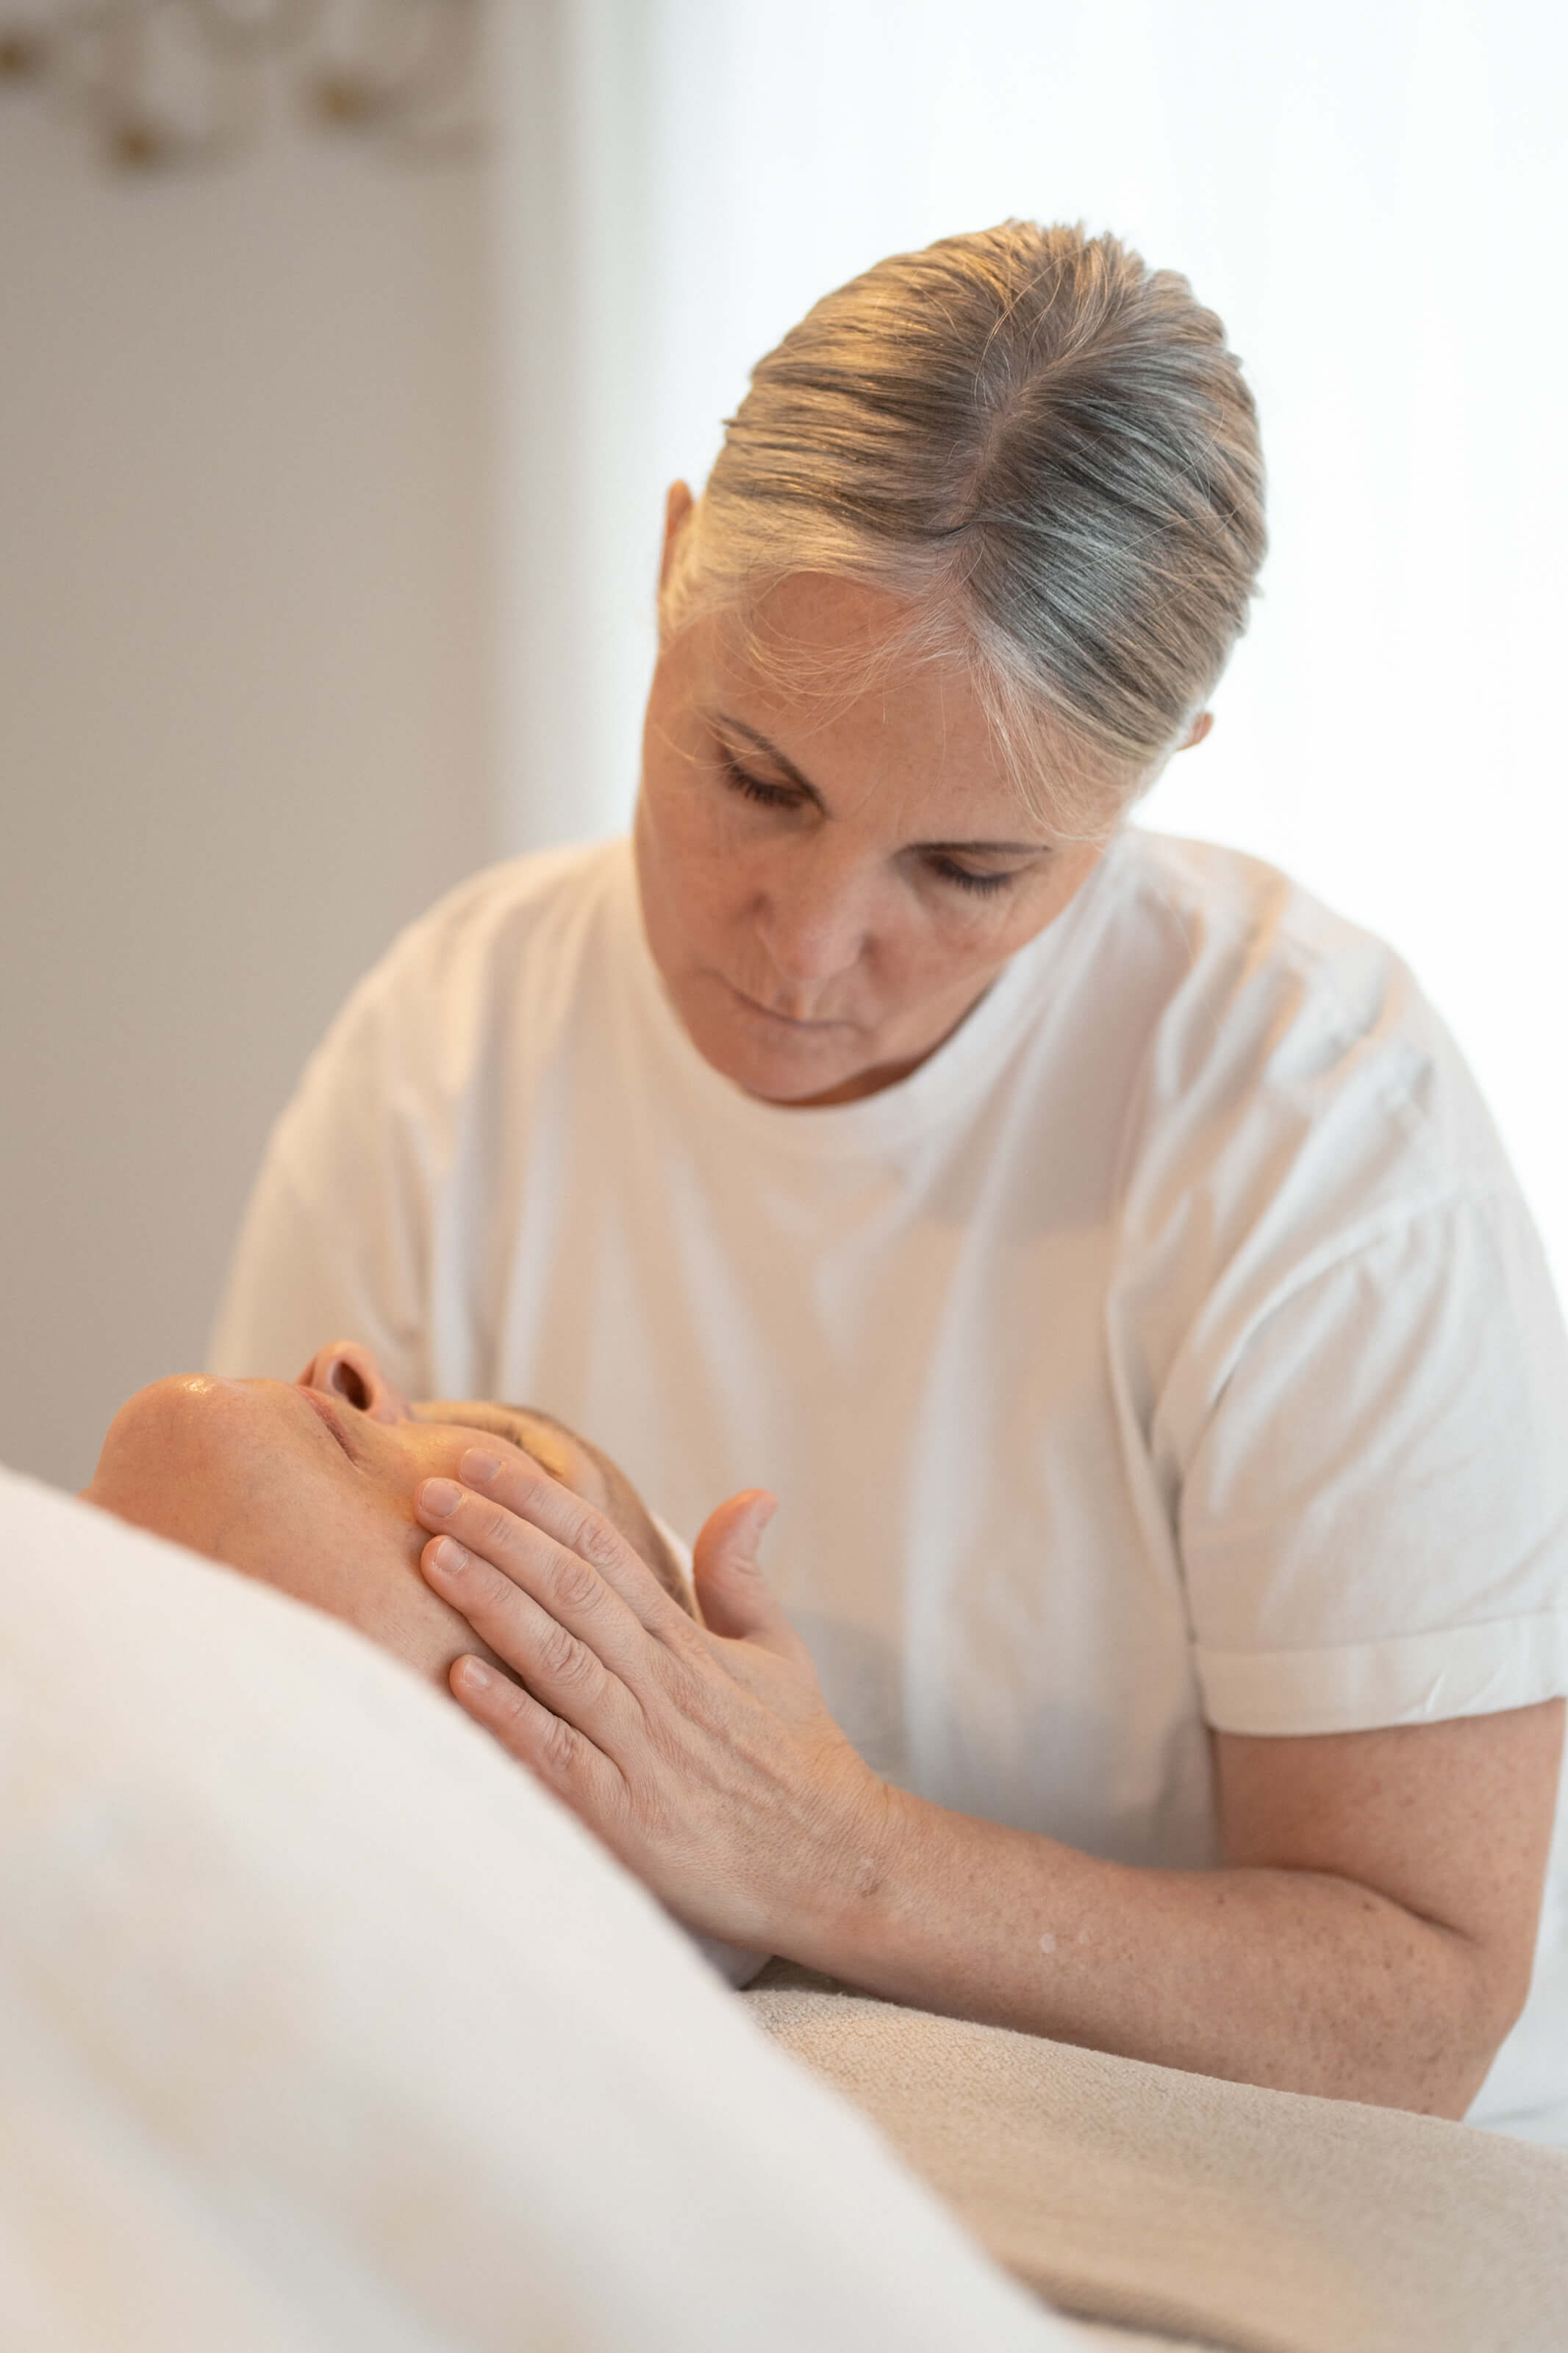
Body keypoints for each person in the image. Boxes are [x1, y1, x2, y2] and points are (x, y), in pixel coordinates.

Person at [210, 221, 1568, 2135]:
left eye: (971, 872)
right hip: (688, 2131)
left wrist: (820, 1852)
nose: (809, 942)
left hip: (1284, 2196)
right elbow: (256, 1698)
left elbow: (1418, 2014)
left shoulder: (1314, 1121)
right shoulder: (458, 1038)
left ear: (1152, 772)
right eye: (756, 777)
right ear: (678, 564)